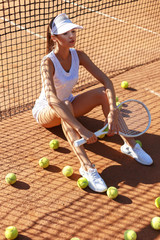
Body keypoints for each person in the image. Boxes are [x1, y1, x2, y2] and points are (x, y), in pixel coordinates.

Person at [32, 13, 153, 193]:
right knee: (64, 104)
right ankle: (87, 168)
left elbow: (107, 82)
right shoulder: (47, 62)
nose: (71, 36)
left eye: (72, 31)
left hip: (69, 103)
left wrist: (112, 111)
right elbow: (51, 99)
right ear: (54, 38)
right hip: (47, 111)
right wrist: (81, 129)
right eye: (65, 33)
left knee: (103, 94)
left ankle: (131, 145)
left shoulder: (79, 56)